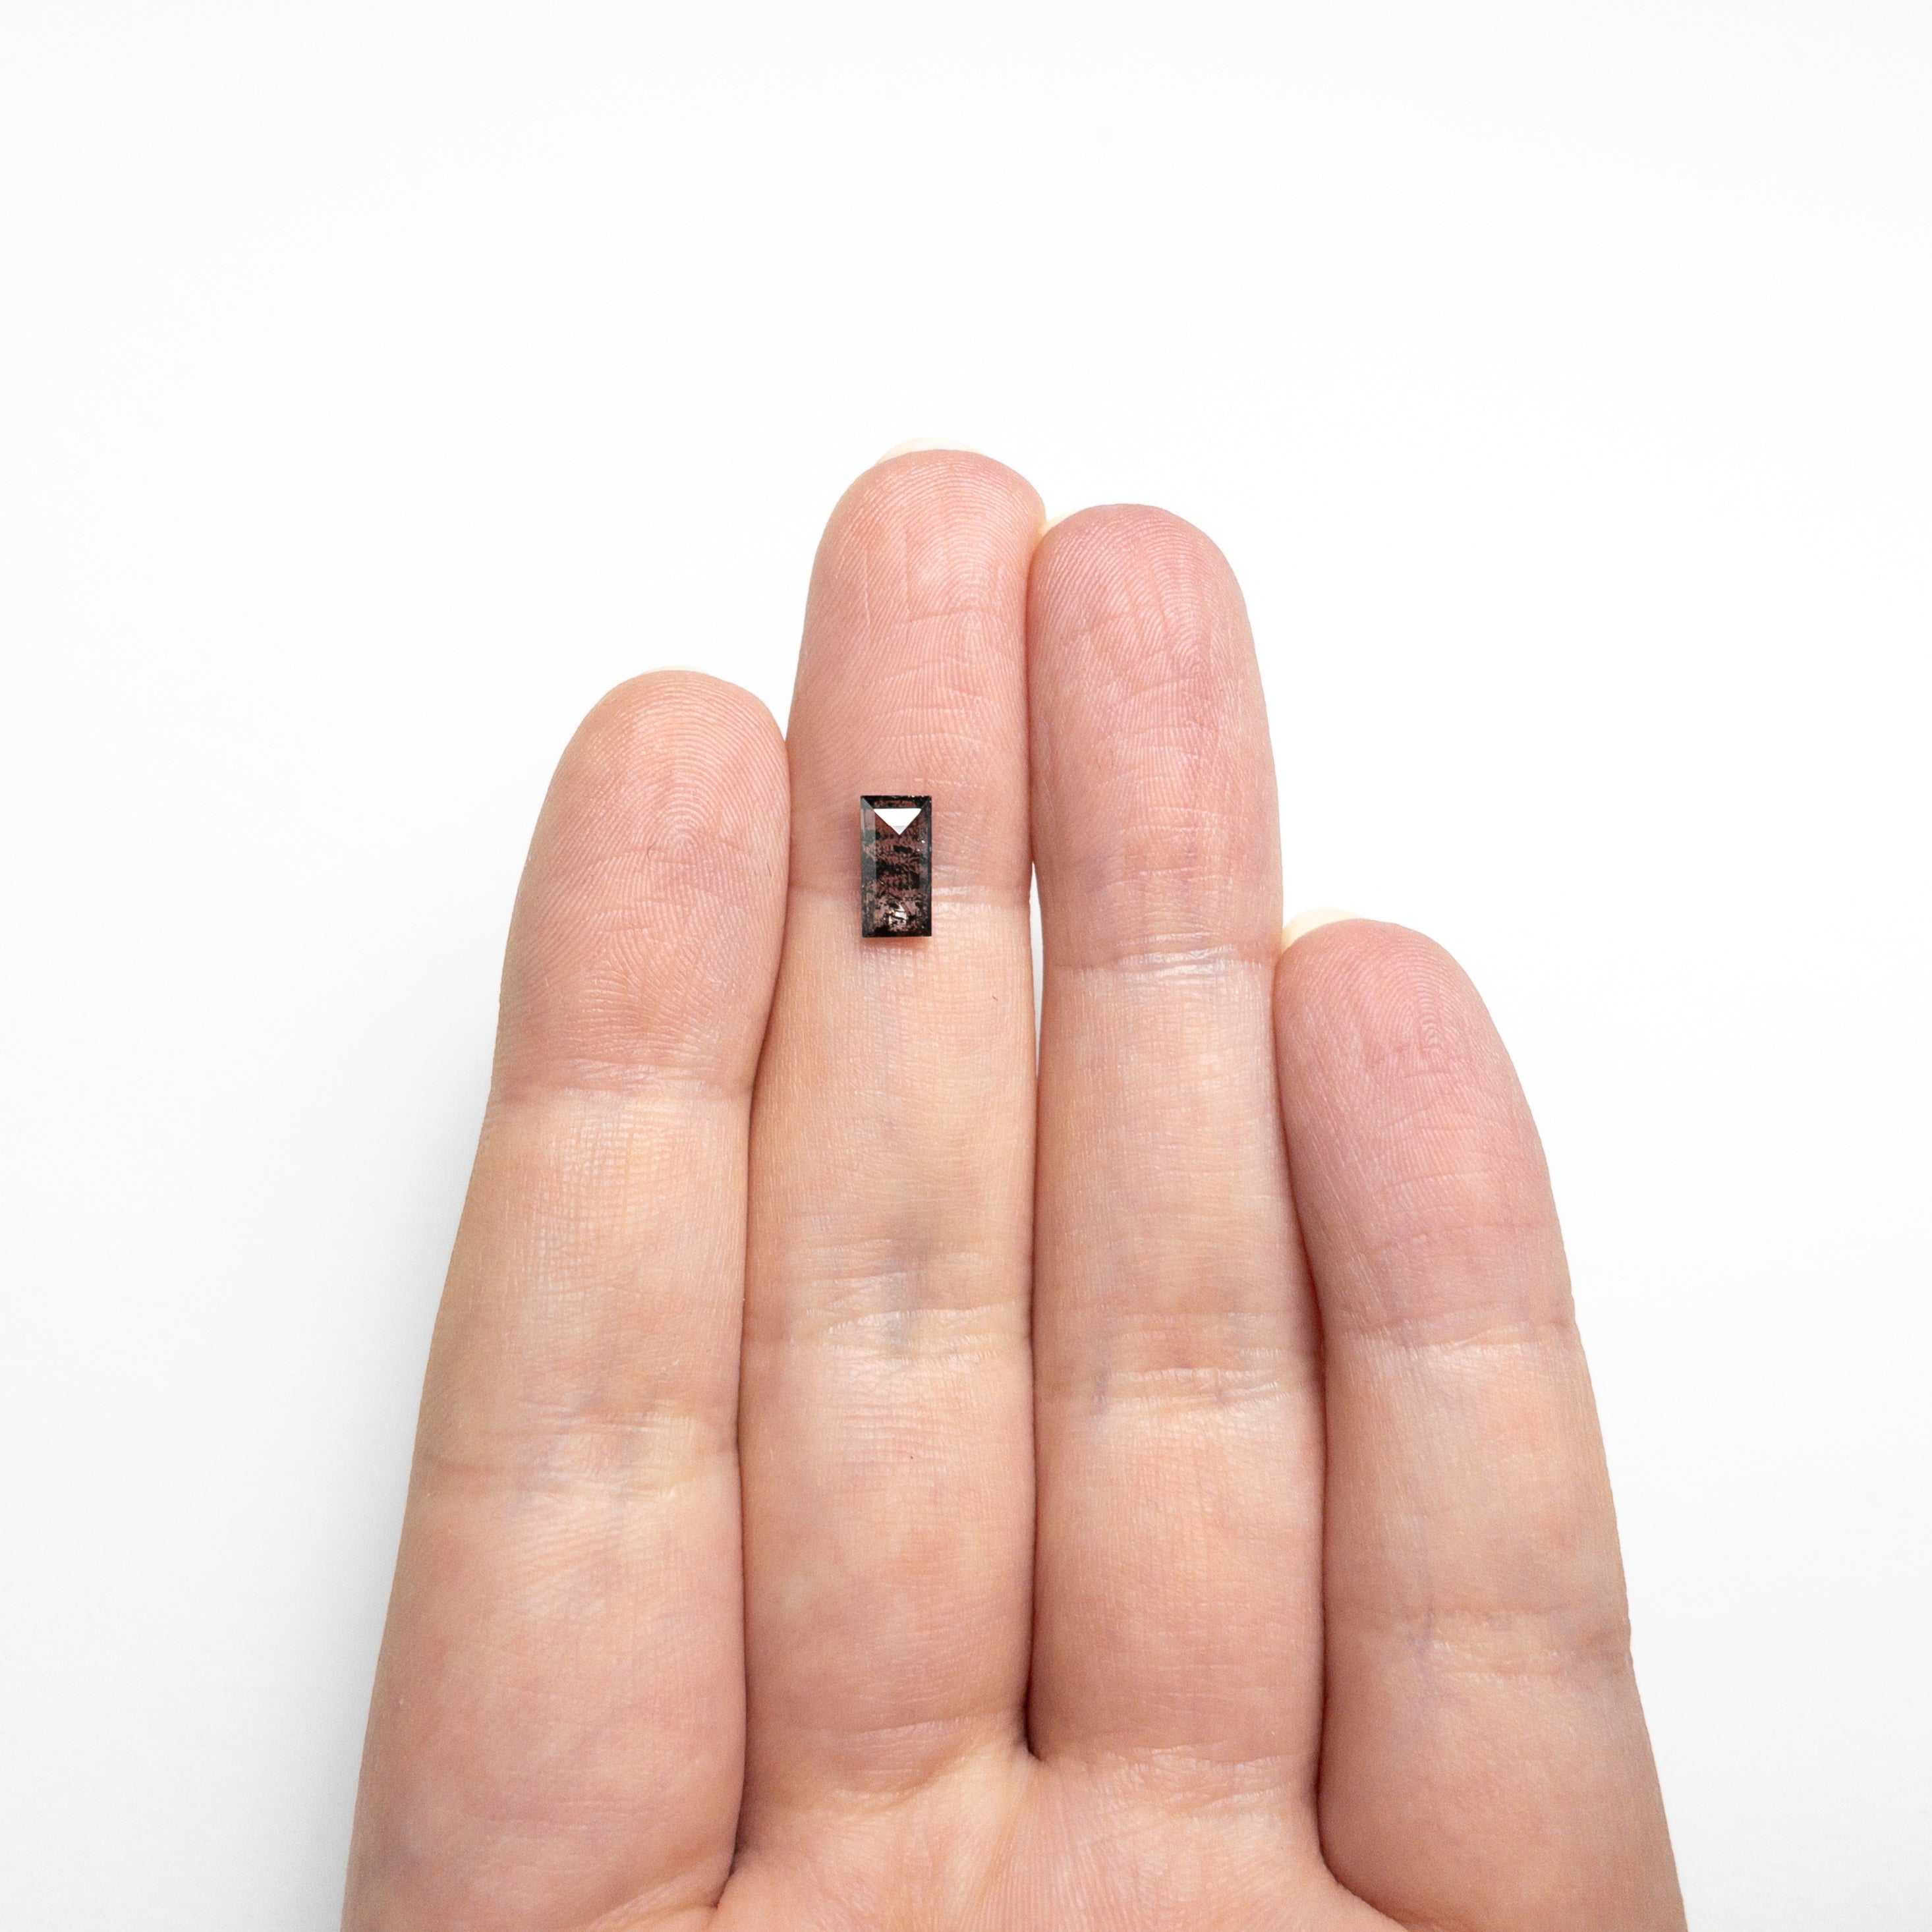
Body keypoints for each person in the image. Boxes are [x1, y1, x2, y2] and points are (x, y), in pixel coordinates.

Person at [341, 447, 1685, 1929]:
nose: (897, 866)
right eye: (897, 858)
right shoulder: (891, 858)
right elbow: (892, 876)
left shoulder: (899, 858)